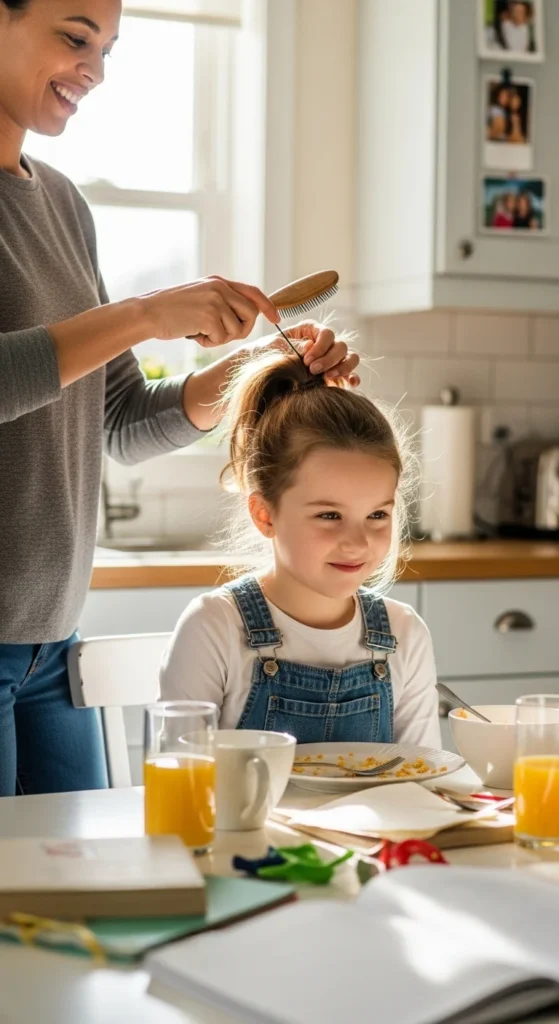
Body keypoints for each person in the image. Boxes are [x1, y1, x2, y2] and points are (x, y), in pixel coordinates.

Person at [0, 0, 360, 798]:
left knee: (82, 896)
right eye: (73, 37)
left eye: (108, 48)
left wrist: (261, 372)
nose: (93, 70)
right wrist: (147, 313)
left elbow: (119, 422)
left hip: (51, 643)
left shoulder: (61, 206)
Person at [160, 346, 441, 749]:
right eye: (329, 515)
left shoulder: (405, 634)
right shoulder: (214, 628)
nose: (358, 541)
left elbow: (421, 778)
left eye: (377, 515)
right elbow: (183, 787)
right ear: (265, 515)